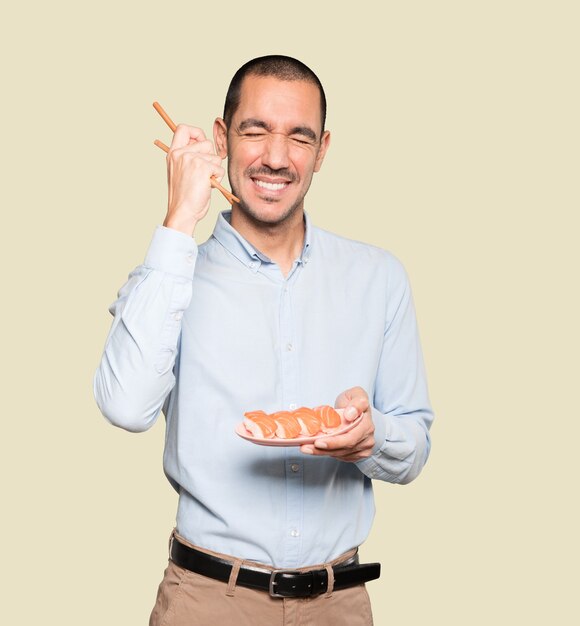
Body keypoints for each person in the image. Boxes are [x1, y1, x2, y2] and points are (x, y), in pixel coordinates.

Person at [94, 55, 434, 626]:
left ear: (322, 150)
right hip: (206, 601)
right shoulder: (170, 277)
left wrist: (372, 437)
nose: (275, 158)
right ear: (223, 138)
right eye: (255, 131)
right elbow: (125, 407)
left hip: (340, 603)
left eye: (298, 137)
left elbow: (415, 446)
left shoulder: (379, 277)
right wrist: (179, 219)